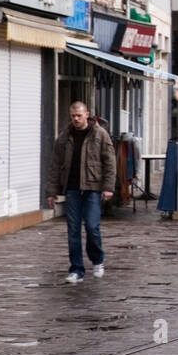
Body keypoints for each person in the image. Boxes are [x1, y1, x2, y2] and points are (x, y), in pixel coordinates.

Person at [46, 101, 117, 283]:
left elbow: (110, 163)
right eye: (73, 116)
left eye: (79, 115)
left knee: (92, 227)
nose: (76, 119)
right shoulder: (64, 137)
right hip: (72, 189)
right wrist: (51, 191)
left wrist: (108, 187)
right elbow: (55, 165)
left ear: (87, 114)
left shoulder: (100, 134)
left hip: (93, 187)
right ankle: (76, 269)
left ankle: (97, 260)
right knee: (73, 230)